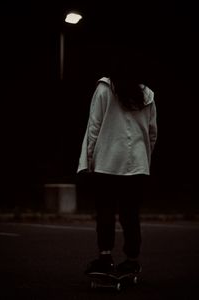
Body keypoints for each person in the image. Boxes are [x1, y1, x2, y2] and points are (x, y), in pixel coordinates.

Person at [76, 57, 158, 275]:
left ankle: (105, 258)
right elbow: (152, 133)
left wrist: (89, 159)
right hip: (137, 164)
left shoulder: (105, 89)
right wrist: (144, 160)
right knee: (130, 214)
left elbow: (94, 126)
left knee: (105, 211)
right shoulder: (147, 95)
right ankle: (132, 259)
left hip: (108, 162)